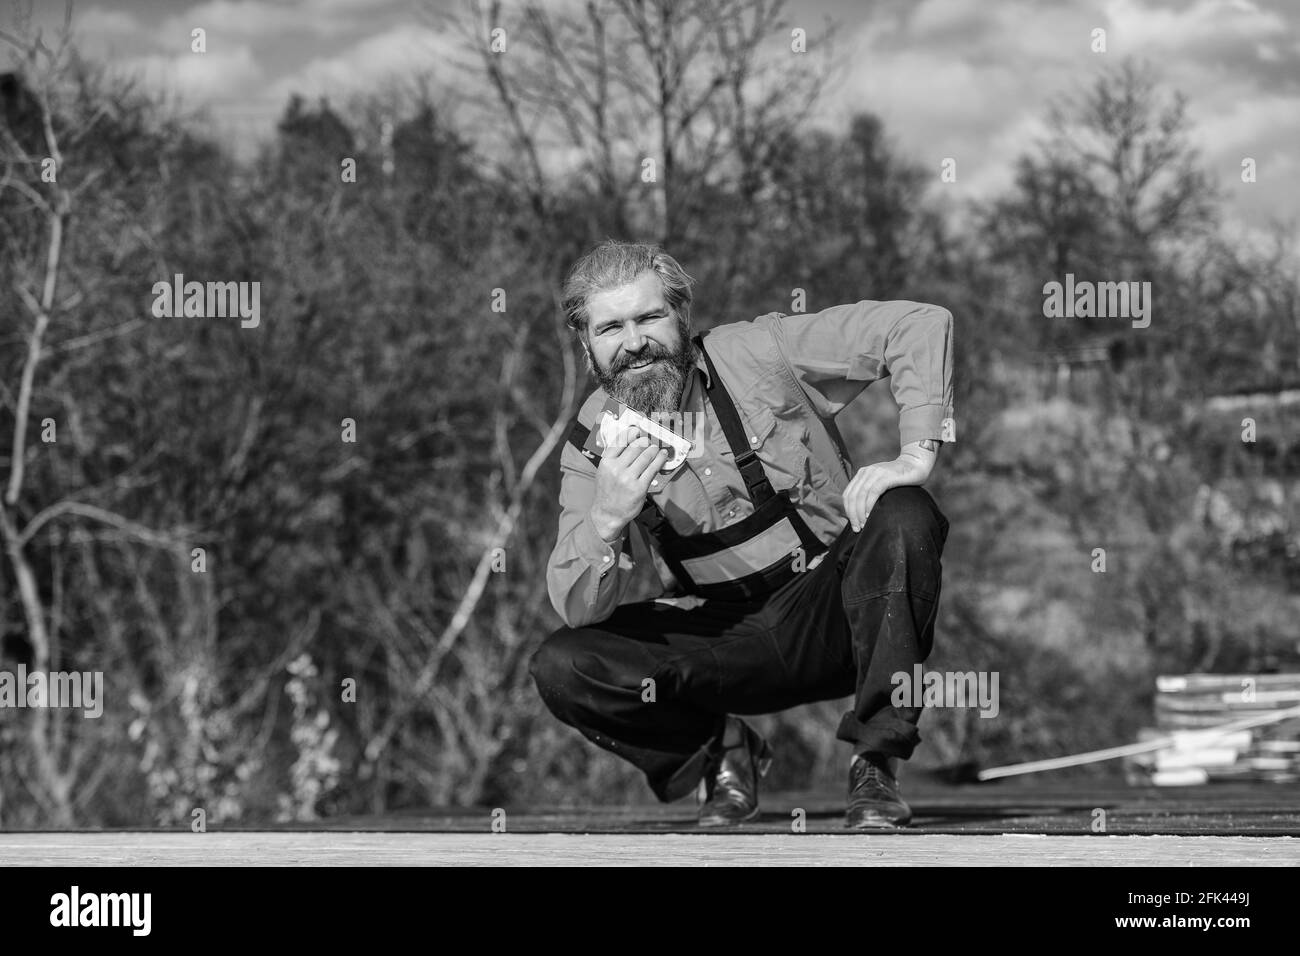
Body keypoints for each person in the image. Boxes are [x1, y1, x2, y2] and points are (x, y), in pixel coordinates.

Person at [530, 239, 953, 828]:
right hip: (724, 641)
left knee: (905, 510)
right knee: (563, 664)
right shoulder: (589, 447)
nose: (634, 343)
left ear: (681, 316)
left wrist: (916, 455)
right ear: (587, 344)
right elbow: (578, 609)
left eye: (650, 317)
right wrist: (607, 517)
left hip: (836, 614)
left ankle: (876, 760)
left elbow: (918, 322)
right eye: (611, 328)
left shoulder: (761, 351)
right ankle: (723, 751)